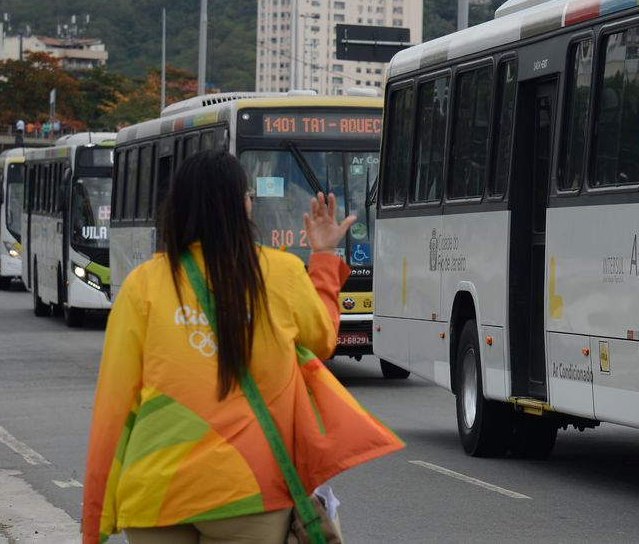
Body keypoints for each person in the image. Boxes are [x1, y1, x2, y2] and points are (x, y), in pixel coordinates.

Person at [82, 150, 402, 544]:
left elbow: (114, 409)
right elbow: (321, 339)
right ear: (243, 205)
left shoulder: (143, 285)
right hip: (250, 491)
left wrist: (95, 522)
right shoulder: (281, 273)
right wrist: (322, 258)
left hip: (155, 490)